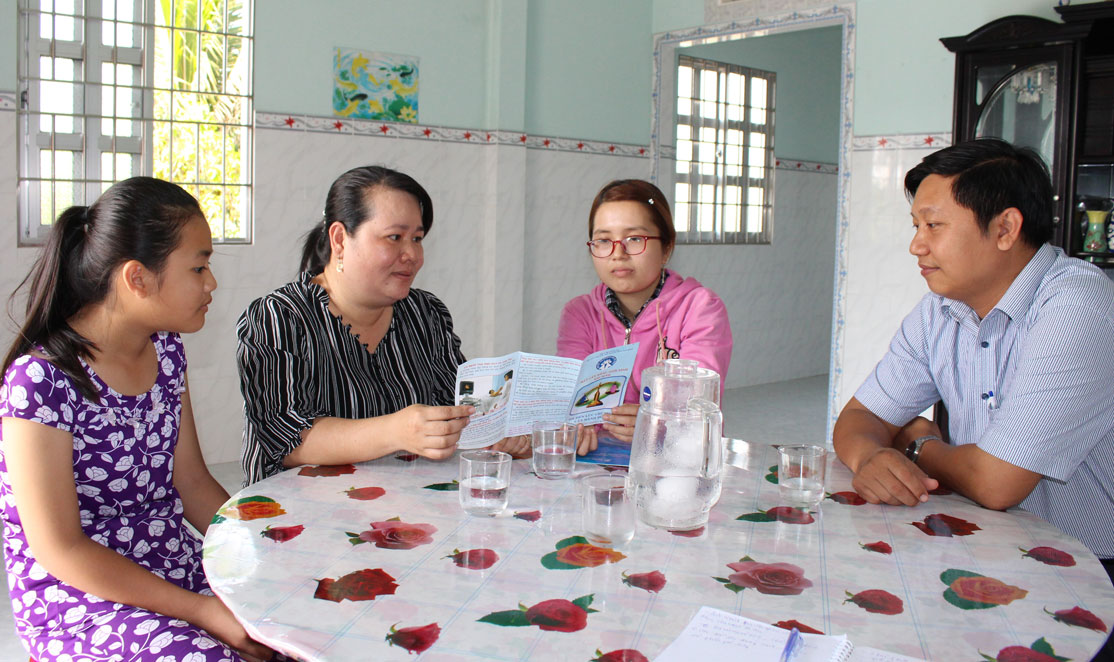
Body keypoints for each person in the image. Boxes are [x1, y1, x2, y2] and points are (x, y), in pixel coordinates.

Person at [0, 178, 273, 660]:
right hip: (79, 594)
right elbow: (62, 550)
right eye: (199, 266)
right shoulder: (39, 382)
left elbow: (190, 482)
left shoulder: (167, 351)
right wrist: (202, 611)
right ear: (137, 278)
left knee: (298, 629)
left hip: (167, 560)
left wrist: (267, 548)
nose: (211, 283)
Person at [832, 140, 1114, 607]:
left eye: (935, 226)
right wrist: (869, 459)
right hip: (991, 547)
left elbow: (995, 482)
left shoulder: (1077, 306)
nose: (916, 244)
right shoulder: (939, 311)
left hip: (1092, 568)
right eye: (916, 225)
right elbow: (858, 418)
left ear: (1005, 228)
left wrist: (918, 446)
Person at [237, 166, 528, 485]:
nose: (412, 255)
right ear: (339, 239)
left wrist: (500, 431)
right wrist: (397, 431)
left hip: (405, 510)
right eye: (394, 237)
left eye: (417, 239)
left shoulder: (424, 313)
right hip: (299, 515)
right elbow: (288, 439)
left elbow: (457, 405)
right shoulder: (279, 317)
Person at [557, 179, 733, 449]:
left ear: (667, 248)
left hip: (678, 463)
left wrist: (653, 421)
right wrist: (575, 427)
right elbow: (572, 400)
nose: (618, 254)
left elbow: (699, 403)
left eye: (635, 239)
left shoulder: (700, 308)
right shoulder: (579, 314)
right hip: (598, 463)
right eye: (604, 240)